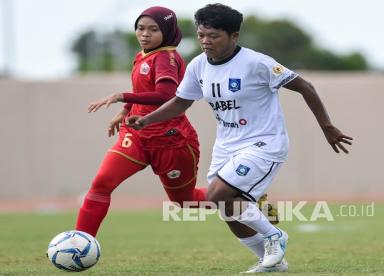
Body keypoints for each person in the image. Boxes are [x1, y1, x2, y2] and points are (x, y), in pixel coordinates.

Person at [127, 3, 353, 273]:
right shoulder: (198, 65)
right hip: (226, 147)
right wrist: (146, 120)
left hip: (265, 143)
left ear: (234, 36)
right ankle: (272, 263)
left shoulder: (257, 63)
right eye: (201, 35)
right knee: (228, 212)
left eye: (214, 36)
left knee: (219, 194)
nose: (205, 41)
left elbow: (305, 86)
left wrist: (327, 126)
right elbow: (180, 103)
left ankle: (275, 237)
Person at [75, 6, 208, 238]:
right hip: (136, 134)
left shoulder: (167, 58)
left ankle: (242, 199)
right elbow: (143, 89)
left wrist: (121, 96)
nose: (145, 34)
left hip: (170, 139)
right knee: (102, 183)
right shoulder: (143, 54)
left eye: (153, 29)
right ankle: (79, 242)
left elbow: (166, 96)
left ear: (167, 31)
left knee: (186, 202)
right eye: (140, 28)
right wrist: (125, 111)